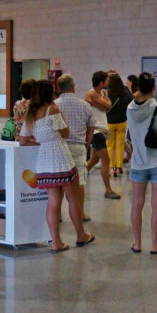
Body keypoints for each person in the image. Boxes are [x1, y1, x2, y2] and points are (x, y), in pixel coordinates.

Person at [19, 79, 94, 253]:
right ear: (48, 93)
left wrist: (40, 143)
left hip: (44, 160)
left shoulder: (30, 113)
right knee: (73, 198)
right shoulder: (52, 109)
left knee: (53, 201)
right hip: (61, 156)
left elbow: (22, 141)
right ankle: (81, 235)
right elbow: (65, 133)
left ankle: (56, 241)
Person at [125, 72, 157, 255]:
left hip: (138, 162)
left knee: (137, 204)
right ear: (154, 88)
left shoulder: (130, 109)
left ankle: (137, 243)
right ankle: (155, 244)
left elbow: (128, 135)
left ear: (138, 88)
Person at [55, 74, 96, 221]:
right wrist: (87, 142)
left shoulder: (54, 105)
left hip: (59, 147)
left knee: (58, 182)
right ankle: (81, 213)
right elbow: (91, 126)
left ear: (58, 88)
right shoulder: (84, 105)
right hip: (78, 146)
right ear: (73, 87)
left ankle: (58, 214)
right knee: (79, 182)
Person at [84, 71, 120, 199]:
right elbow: (107, 104)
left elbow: (108, 106)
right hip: (96, 131)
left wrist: (100, 102)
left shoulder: (102, 93)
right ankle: (108, 190)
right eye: (106, 80)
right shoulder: (92, 93)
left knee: (94, 159)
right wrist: (102, 102)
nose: (108, 82)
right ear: (101, 82)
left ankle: (77, 178)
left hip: (101, 130)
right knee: (106, 160)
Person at [105, 74, 132, 177]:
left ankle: (111, 168)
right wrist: (129, 87)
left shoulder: (107, 93)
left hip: (109, 122)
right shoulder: (125, 93)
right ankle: (119, 167)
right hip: (122, 122)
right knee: (120, 145)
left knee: (110, 145)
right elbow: (132, 100)